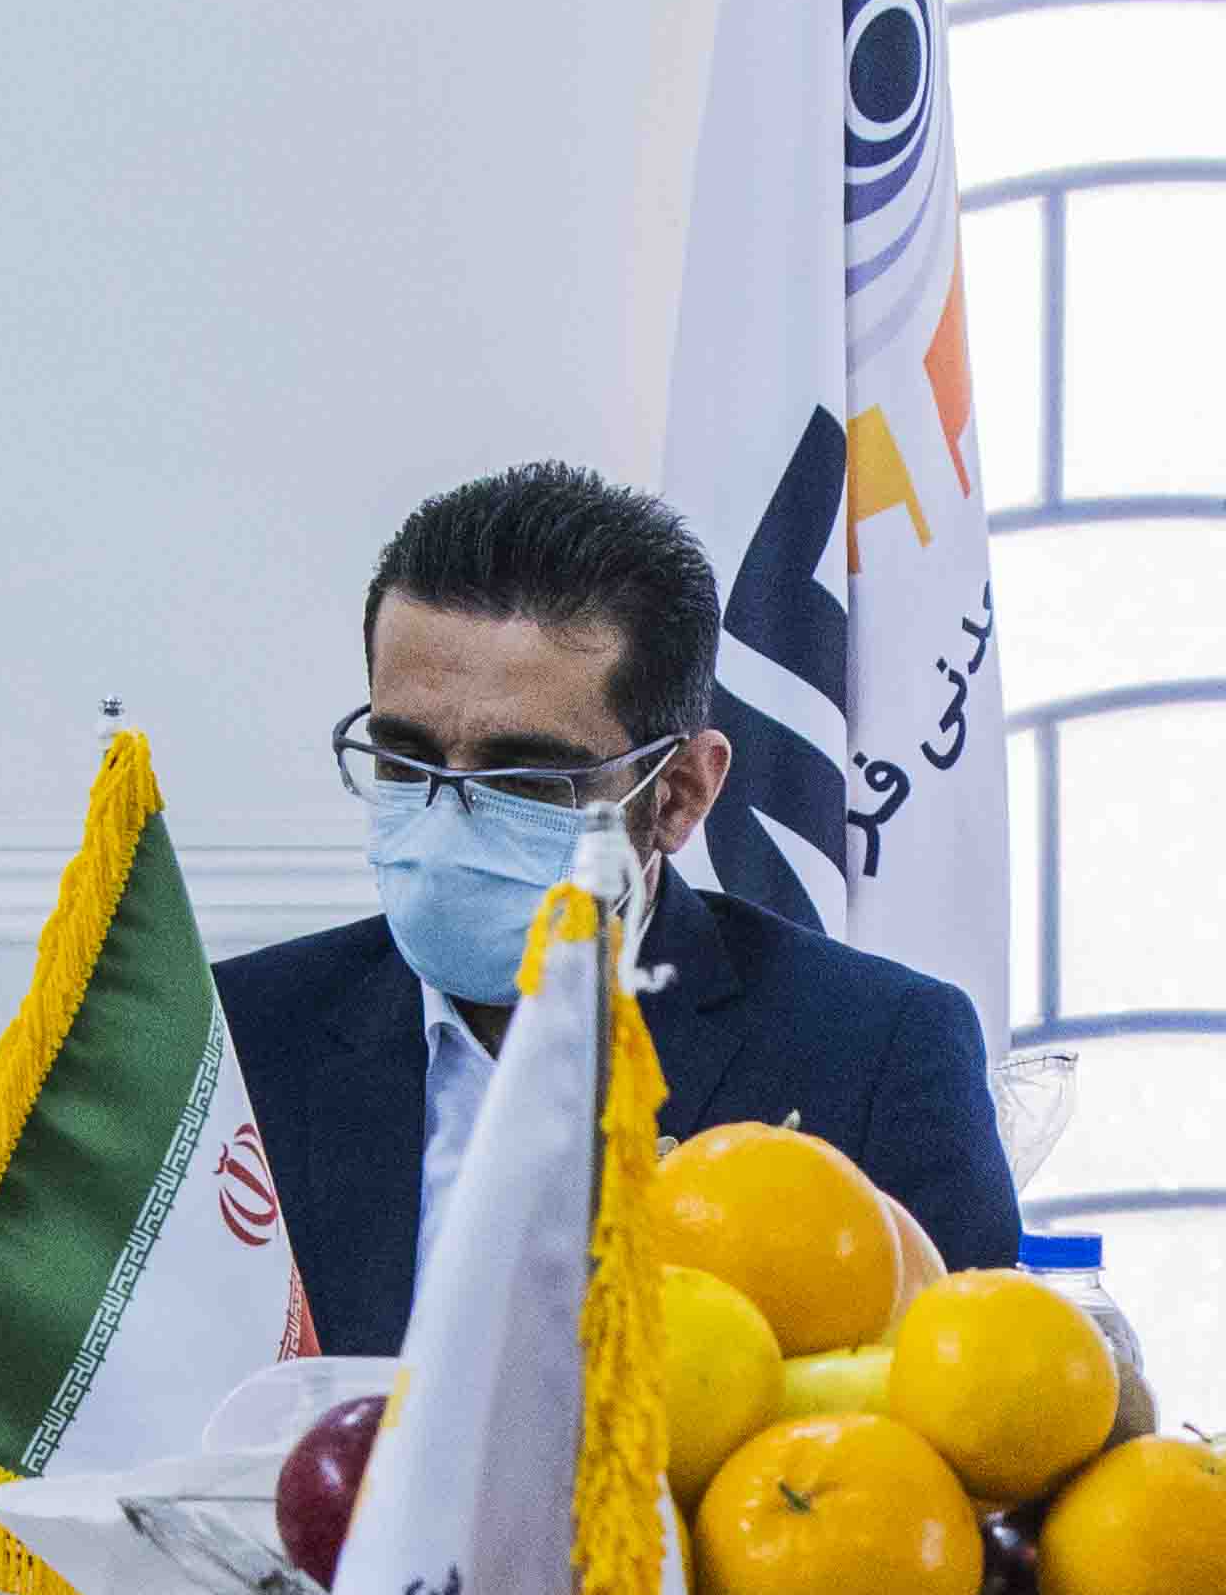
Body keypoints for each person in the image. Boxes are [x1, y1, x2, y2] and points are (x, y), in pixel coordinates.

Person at [217, 463, 1021, 1354]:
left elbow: (978, 1402)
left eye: (526, 777)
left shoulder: (875, 1054)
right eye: (404, 759)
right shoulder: (236, 1040)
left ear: (679, 794)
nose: (446, 816)